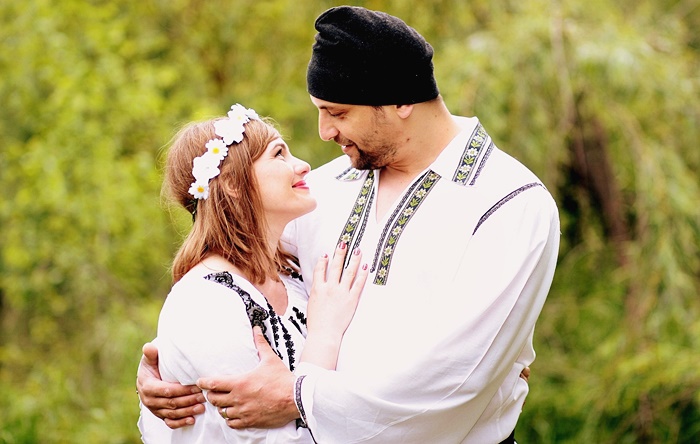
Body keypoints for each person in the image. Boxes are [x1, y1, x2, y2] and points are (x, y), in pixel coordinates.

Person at [138, 6, 560, 443]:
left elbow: (457, 379)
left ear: (401, 101)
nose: (324, 131)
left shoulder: (508, 205)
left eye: (338, 113)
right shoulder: (323, 190)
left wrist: (298, 397)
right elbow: (237, 281)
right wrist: (175, 363)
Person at [137, 103, 369, 443]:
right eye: (279, 154)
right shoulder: (205, 303)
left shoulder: (290, 275)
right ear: (232, 182)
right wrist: (325, 333)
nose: (303, 165)